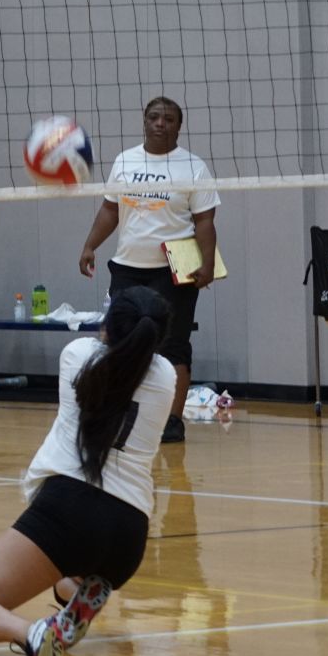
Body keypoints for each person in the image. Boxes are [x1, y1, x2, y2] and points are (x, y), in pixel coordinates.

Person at [0, 286, 174, 656]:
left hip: (70, 511)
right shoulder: (166, 378)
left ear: (108, 326)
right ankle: (80, 591)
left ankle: (33, 633)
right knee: (70, 568)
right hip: (129, 535)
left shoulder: (77, 354)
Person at [77, 96, 220, 443]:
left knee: (173, 346)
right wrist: (90, 245)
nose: (160, 123)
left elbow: (205, 221)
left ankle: (172, 421)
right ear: (144, 121)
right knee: (119, 342)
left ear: (178, 126)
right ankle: (118, 410)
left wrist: (207, 262)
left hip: (174, 269)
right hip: (127, 267)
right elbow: (110, 210)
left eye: (168, 119)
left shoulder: (193, 167)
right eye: (154, 117)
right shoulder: (126, 161)